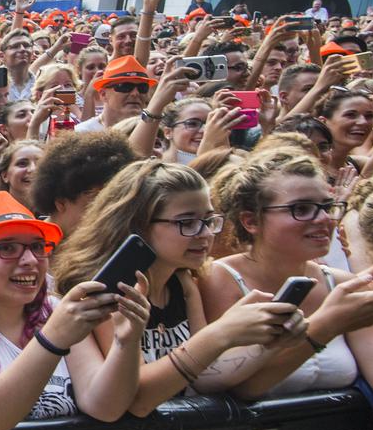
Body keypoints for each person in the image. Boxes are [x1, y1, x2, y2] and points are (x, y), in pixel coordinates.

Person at [52, 160, 311, 415]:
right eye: (186, 223)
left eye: (209, 221)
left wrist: (269, 342)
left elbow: (204, 375)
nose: (205, 234)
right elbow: (137, 397)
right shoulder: (105, 291)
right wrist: (221, 334)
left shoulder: (183, 282)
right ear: (138, 225)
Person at [0, 192, 149, 430]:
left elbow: (104, 407)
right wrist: (52, 340)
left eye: (37, 247)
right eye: (7, 248)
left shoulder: (55, 309)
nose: (30, 260)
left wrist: (126, 342)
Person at [200, 148, 373, 397]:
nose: (323, 219)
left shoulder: (343, 284)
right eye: (301, 209)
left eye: (327, 206)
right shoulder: (218, 279)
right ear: (251, 221)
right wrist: (325, 325)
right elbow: (236, 389)